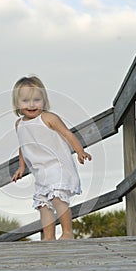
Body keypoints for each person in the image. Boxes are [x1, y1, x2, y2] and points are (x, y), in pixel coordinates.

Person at [11, 76, 92, 241]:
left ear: (44, 100)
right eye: (26, 100)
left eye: (36, 100)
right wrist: (21, 167)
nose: (32, 104)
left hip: (57, 167)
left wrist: (79, 151)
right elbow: (23, 146)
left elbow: (67, 133)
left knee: (56, 197)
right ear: (17, 104)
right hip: (40, 172)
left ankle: (67, 232)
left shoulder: (48, 118)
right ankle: (48, 236)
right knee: (43, 204)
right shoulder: (19, 124)